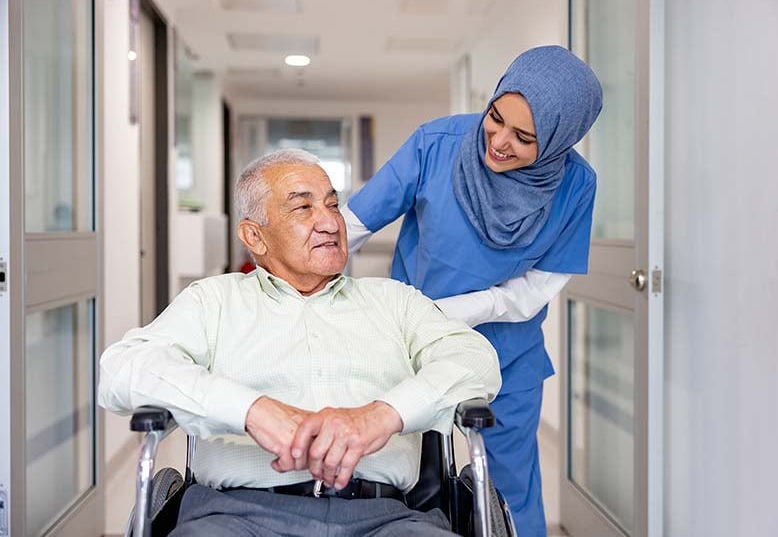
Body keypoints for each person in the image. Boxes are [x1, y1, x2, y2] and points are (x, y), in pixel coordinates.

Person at [98, 148, 501, 536]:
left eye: (332, 205)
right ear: (254, 236)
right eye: (303, 208)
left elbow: (475, 360)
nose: (329, 222)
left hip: (385, 518)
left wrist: (382, 415)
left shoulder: (395, 301)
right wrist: (252, 411)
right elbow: (121, 370)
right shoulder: (213, 301)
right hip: (233, 517)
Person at [342, 45, 602, 536]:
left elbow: (533, 291)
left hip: (507, 354)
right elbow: (352, 225)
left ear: (558, 141)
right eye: (496, 117)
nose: (499, 141)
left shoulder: (575, 186)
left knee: (507, 493)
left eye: (524, 137)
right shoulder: (436, 144)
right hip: (409, 347)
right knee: (397, 478)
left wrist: (448, 311)